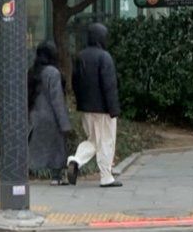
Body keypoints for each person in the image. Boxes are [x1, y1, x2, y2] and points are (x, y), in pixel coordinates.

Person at [66, 20, 122, 187]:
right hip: (103, 108)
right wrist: (114, 109)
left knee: (93, 140)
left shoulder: (80, 56)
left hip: (86, 108)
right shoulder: (104, 57)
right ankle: (106, 177)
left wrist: (80, 103)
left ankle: (75, 160)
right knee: (106, 141)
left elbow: (75, 82)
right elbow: (109, 85)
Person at [27, 39, 72, 182]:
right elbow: (57, 100)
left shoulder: (33, 72)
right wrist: (65, 124)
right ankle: (56, 177)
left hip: (35, 116)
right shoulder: (53, 73)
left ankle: (30, 173)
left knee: (35, 148)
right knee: (57, 149)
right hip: (51, 117)